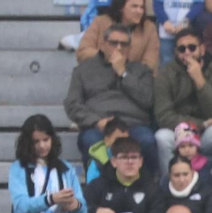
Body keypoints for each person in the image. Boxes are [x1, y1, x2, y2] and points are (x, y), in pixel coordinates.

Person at [64, 21, 159, 166]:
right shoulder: (83, 70)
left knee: (147, 140)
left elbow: (148, 100)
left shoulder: (141, 71)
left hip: (133, 125)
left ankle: (145, 186)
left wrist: (123, 73)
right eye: (114, 43)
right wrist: (96, 121)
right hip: (99, 126)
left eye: (124, 44)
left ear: (129, 47)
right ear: (103, 44)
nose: (119, 48)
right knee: (91, 141)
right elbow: (72, 104)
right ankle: (97, 186)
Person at [153, 26, 212, 179]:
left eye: (192, 47)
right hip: (180, 132)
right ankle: (169, 185)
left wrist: (200, 81)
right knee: (161, 136)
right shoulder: (165, 74)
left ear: (202, 49)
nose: (187, 53)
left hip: (206, 134)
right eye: (182, 49)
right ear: (176, 52)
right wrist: (202, 124)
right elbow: (163, 116)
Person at [77, 0, 160, 69]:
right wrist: (107, 56)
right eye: (134, 6)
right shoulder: (100, 22)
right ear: (121, 7)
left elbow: (150, 65)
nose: (139, 11)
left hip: (132, 81)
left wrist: (124, 68)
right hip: (100, 78)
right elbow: (82, 52)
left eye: (142, 7)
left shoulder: (149, 29)